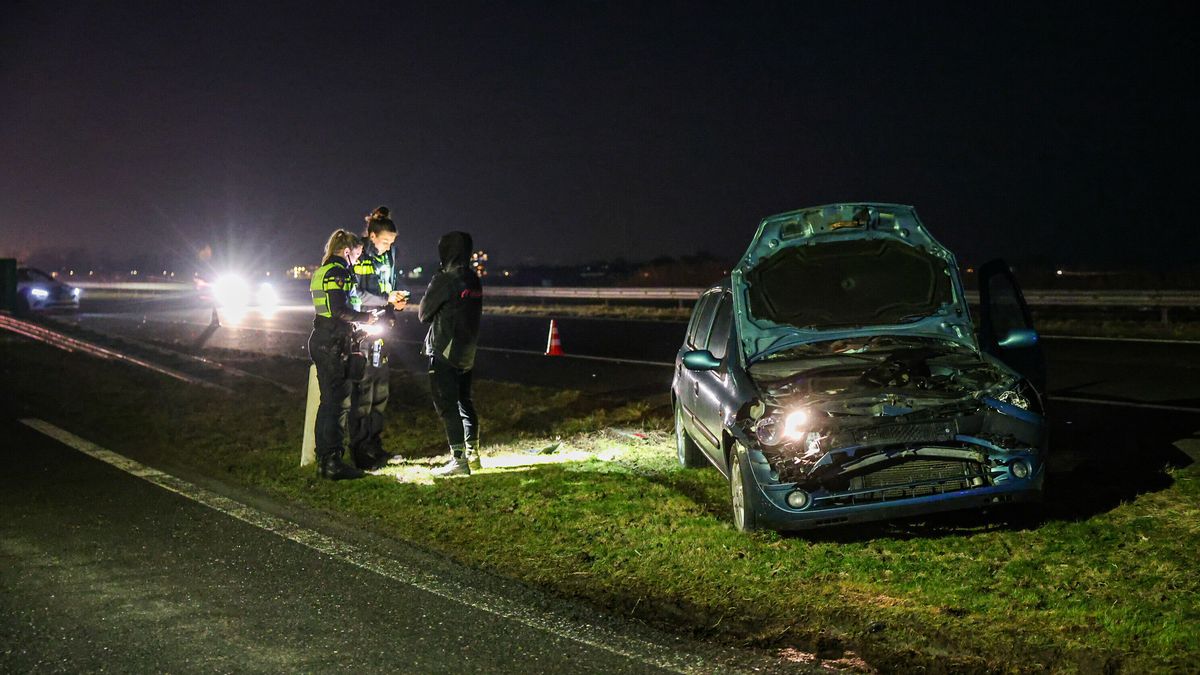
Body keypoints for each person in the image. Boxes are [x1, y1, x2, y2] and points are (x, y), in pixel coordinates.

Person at [308, 229, 377, 480]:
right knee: (337, 404)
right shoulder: (337, 272)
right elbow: (338, 310)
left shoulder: (323, 270)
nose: (358, 261)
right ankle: (332, 462)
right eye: (357, 255)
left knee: (329, 403)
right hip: (333, 343)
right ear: (347, 251)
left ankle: (325, 461)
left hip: (325, 339)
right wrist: (365, 318)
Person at [348, 206, 408, 470]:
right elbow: (355, 296)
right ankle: (359, 448)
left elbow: (389, 286)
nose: (388, 247)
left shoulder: (389, 256)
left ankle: (374, 444)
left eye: (391, 243)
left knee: (380, 392)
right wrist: (386, 299)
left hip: (382, 331)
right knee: (363, 392)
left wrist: (395, 304)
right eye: (384, 241)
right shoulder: (358, 255)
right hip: (362, 332)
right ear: (372, 236)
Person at [419, 231, 483, 476]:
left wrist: (437, 280)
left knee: (447, 405)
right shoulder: (473, 278)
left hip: (445, 350)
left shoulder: (445, 279)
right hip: (467, 351)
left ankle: (458, 460)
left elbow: (423, 314)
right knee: (465, 402)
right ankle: (473, 453)